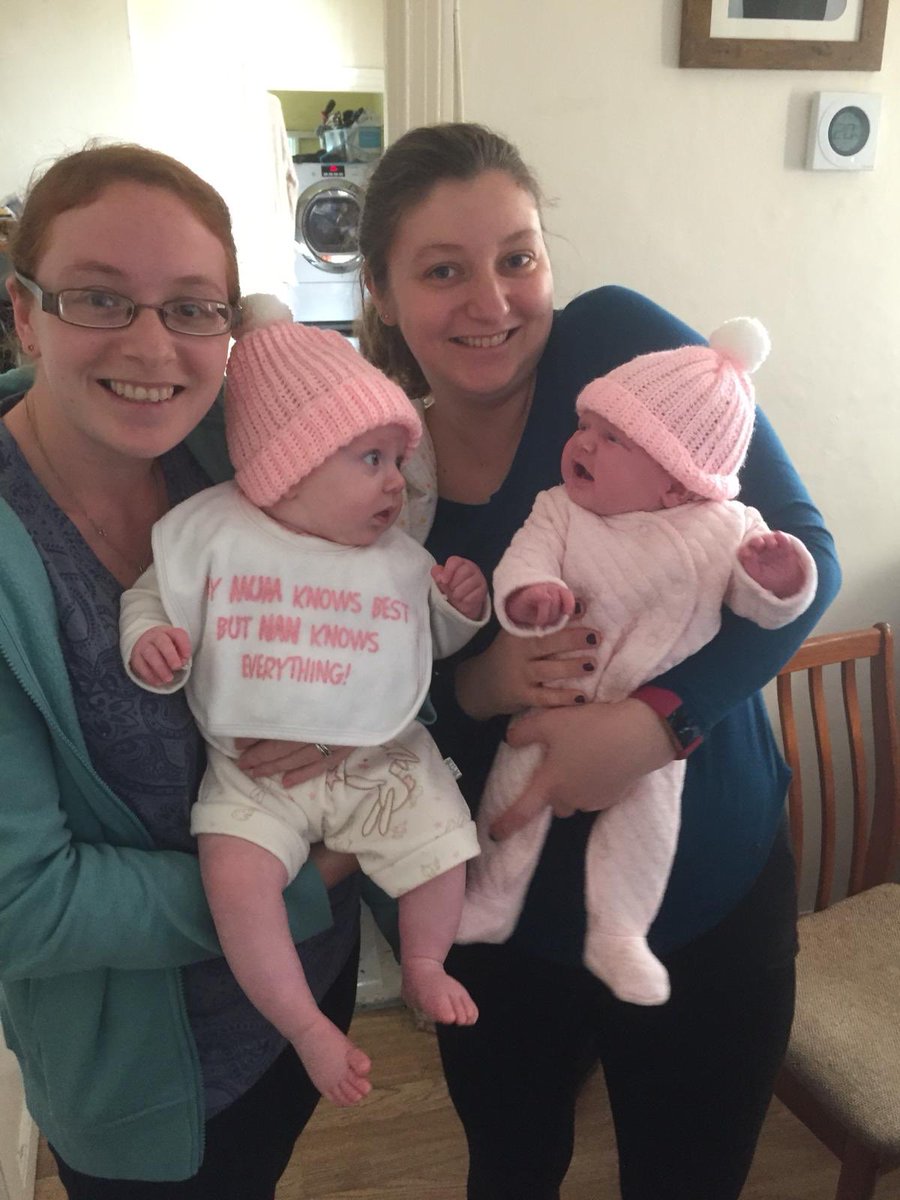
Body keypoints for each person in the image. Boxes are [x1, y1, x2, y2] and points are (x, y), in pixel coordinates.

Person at [357, 122, 841, 1200]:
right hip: (495, 923)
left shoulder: (617, 343)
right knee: (511, 1171)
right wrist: (479, 684)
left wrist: (655, 722)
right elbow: (361, 701)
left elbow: (803, 557)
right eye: (443, 271)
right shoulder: (375, 471)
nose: (493, 303)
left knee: (690, 1179)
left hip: (709, 901)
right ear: (384, 294)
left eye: (518, 257)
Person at [0, 144, 364, 1198]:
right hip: (159, 1088)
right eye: (100, 299)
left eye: (191, 307)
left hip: (307, 998)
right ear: (26, 314)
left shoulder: (236, 456)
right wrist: (304, 884)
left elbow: (357, 609)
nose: (153, 346)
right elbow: (23, 904)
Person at [120, 314, 486, 1106]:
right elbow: (153, 597)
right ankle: (304, 1024)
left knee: (444, 838)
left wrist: (460, 609)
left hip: (378, 759)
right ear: (288, 469)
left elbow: (428, 647)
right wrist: (149, 640)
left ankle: (424, 960)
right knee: (235, 881)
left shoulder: (397, 560)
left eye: (397, 459)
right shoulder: (212, 533)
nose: (397, 481)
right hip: (252, 774)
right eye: (370, 459)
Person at [457, 317, 817, 1006]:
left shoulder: (727, 526)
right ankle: (490, 899)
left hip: (652, 740)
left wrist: (779, 579)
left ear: (680, 483)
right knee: (509, 803)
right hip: (554, 703)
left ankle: (620, 931)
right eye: (584, 425)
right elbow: (525, 560)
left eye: (613, 438)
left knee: (647, 830)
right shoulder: (560, 508)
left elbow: (763, 610)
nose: (583, 443)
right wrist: (530, 597)